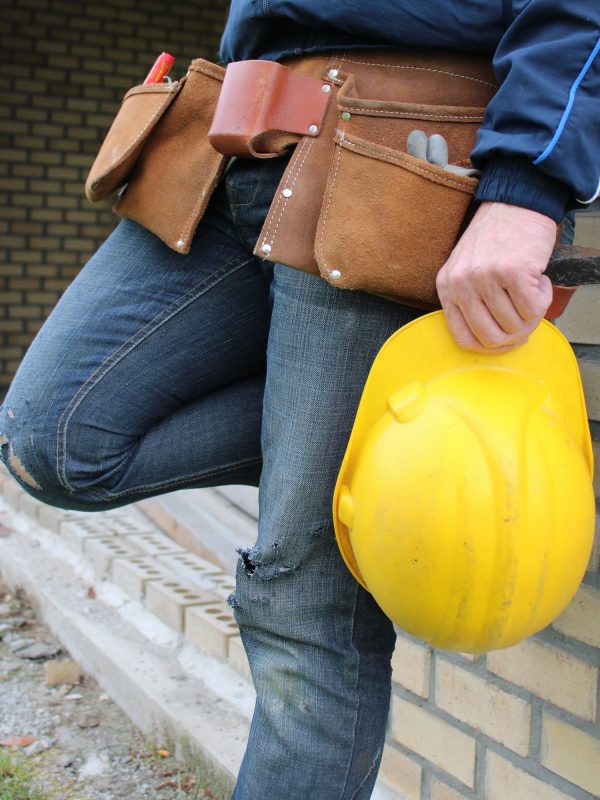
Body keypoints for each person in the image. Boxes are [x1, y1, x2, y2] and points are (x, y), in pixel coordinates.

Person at [1, 2, 598, 798]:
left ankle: (337, 462)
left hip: (394, 154)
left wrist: (526, 189)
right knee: (54, 440)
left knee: (302, 606)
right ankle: (363, 455)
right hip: (234, 140)